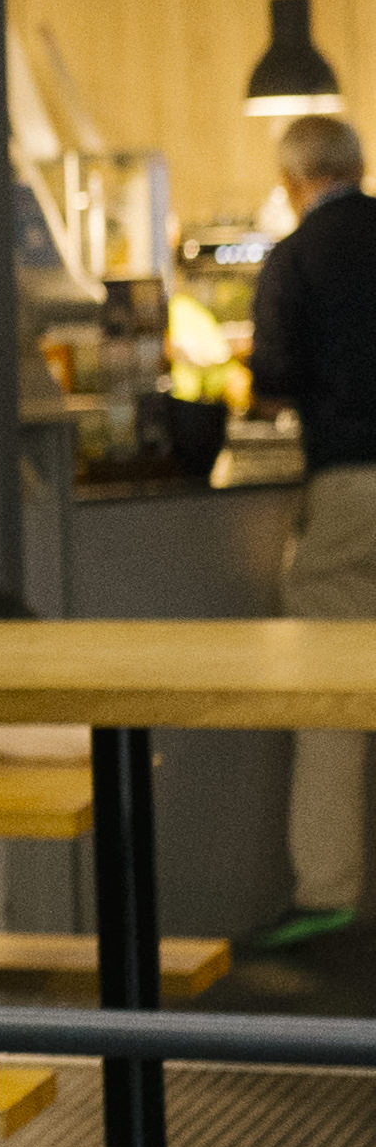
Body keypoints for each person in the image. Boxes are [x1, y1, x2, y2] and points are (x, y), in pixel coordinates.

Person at [239, 107, 376, 953]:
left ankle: (326, 892)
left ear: (293, 182)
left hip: (349, 485)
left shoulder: (293, 259)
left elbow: (272, 379)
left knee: (330, 689)